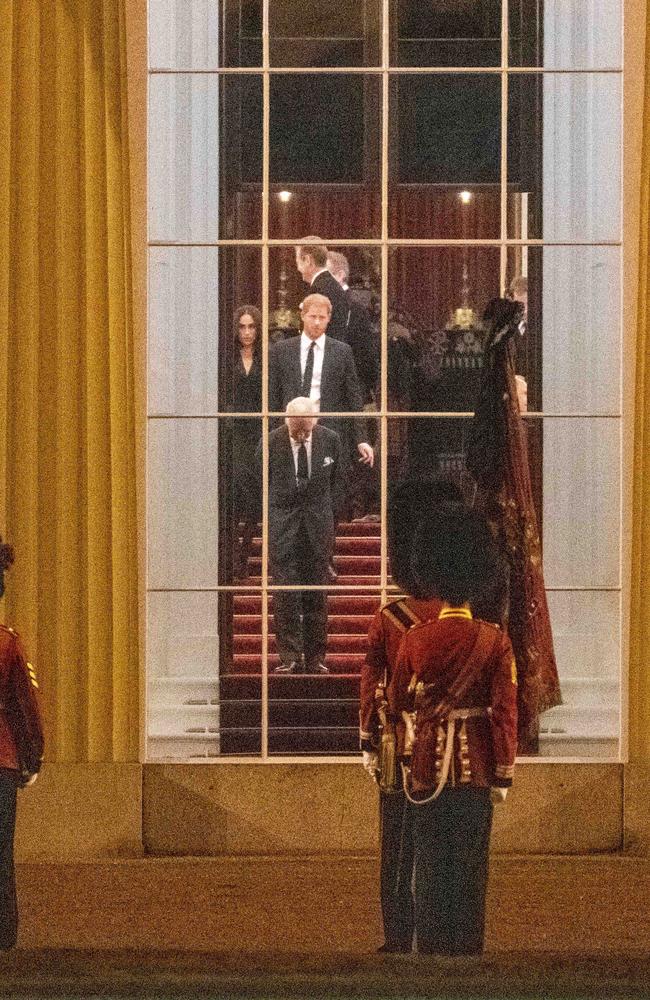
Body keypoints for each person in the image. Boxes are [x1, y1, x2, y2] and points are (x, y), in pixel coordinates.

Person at [388, 506, 517, 956]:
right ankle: (468, 946)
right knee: (470, 865)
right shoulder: (495, 640)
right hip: (477, 768)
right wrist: (503, 773)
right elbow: (504, 713)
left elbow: (397, 700)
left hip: (424, 768)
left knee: (430, 863)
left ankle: (432, 946)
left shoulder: (415, 639)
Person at [360, 481, 464, 954]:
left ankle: (399, 933)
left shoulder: (390, 619)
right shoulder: (464, 621)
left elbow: (374, 684)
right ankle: (440, 931)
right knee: (445, 848)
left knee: (397, 847)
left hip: (400, 746)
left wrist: (367, 739)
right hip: (453, 751)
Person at [269, 293, 374, 568]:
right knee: (292, 491)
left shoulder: (342, 351)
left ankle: (323, 556)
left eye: (323, 318)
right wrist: (270, 433)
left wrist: (362, 438)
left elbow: (353, 397)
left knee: (328, 496)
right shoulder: (281, 351)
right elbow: (272, 396)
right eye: (312, 317)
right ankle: (291, 555)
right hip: (289, 430)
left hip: (328, 432)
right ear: (302, 315)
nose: (317, 323)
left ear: (329, 319)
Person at [258, 398, 343, 675]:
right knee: (285, 596)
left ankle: (316, 658)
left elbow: (339, 484)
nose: (302, 435)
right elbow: (258, 482)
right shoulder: (270, 442)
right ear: (286, 422)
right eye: (297, 430)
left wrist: (330, 520)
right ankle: (290, 657)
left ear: (315, 421)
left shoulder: (331, 440)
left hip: (318, 528)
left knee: (317, 595)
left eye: (307, 429)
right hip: (284, 528)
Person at [0, 538, 44, 950]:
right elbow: (23, 708)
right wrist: (33, 759)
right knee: (1, 855)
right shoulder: (7, 642)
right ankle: (3, 935)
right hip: (2, 763)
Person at [233, 306, 262, 580]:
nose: (247, 333)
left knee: (254, 497)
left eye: (251, 327)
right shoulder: (228, 359)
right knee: (238, 488)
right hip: (235, 433)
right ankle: (235, 558)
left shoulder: (266, 359)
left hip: (258, 431)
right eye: (242, 327)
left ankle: (245, 553)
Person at [326, 250, 379, 403]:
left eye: (326, 275)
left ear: (340, 275)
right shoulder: (320, 304)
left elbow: (366, 355)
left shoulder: (355, 309)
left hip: (347, 392)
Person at [295, 237, 349, 343]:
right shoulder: (331, 285)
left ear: (307, 260)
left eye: (297, 260)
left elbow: (313, 334)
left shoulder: (319, 289)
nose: (297, 268)